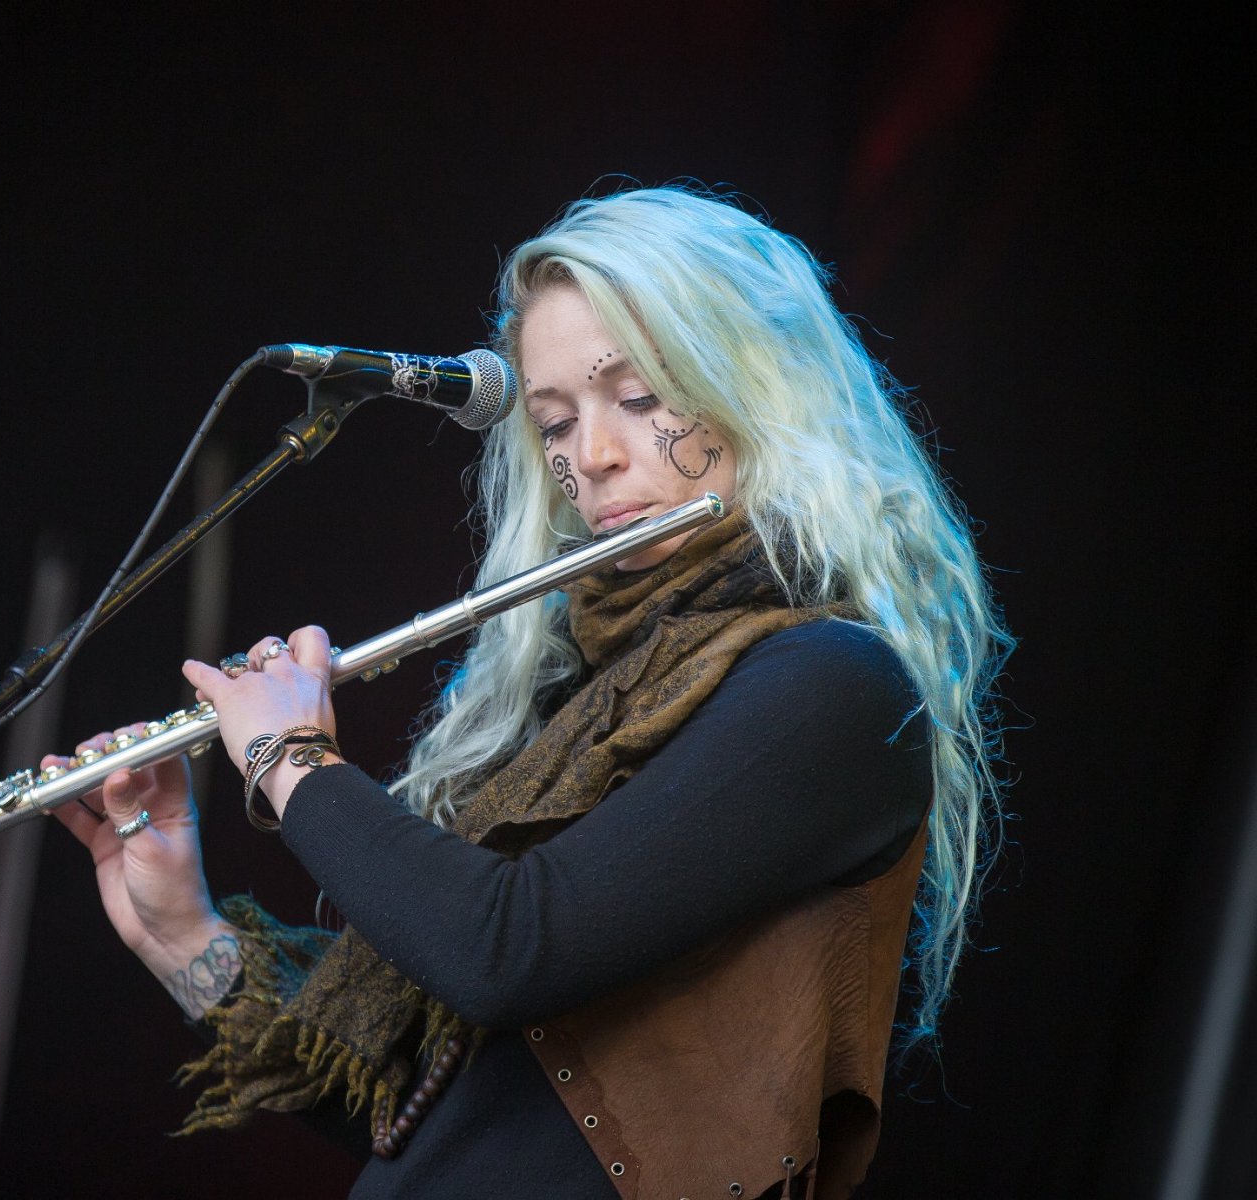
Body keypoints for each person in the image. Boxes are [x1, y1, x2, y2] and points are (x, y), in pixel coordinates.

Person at [50, 186, 1011, 1198]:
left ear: (759, 389)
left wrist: (292, 762)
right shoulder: (592, 699)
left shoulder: (832, 687)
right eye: (555, 421)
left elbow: (506, 950)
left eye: (640, 398)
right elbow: (416, 1112)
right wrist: (183, 930)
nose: (589, 457)